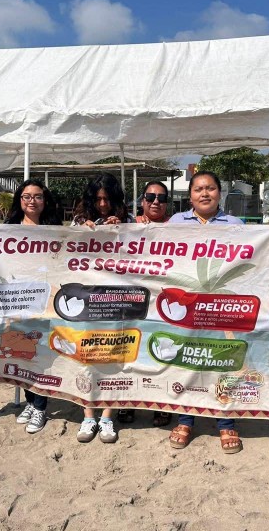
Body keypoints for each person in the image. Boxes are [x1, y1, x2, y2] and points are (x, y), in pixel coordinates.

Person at [166, 170, 245, 454]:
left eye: (210, 188)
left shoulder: (236, 224)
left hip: (220, 306)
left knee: (222, 360)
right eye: (198, 189)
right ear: (190, 196)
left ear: (219, 193)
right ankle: (185, 420)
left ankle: (226, 422)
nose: (204, 193)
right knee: (187, 360)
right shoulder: (175, 223)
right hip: (186, 305)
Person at [71, 173, 132, 443]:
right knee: (87, 355)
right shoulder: (79, 221)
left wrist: (124, 229)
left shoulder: (127, 220)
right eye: (98, 200)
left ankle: (107, 415)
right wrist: (81, 231)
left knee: (115, 355)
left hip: (118, 300)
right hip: (87, 301)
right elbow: (66, 251)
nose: (103, 205)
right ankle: (88, 414)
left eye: (108, 199)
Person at [5, 179, 61, 434]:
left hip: (45, 300)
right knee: (22, 352)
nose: (32, 201)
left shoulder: (54, 230)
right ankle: (30, 401)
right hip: (18, 300)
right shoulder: (7, 230)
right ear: (19, 199)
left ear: (45, 201)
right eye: (26, 196)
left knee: (40, 354)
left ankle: (40, 406)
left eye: (37, 196)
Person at [117, 180, 173, 428]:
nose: (156, 202)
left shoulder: (178, 228)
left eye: (161, 198)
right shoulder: (127, 225)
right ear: (142, 201)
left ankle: (161, 404)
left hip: (163, 301)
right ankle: (128, 401)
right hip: (132, 300)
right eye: (150, 197)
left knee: (160, 352)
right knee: (131, 350)